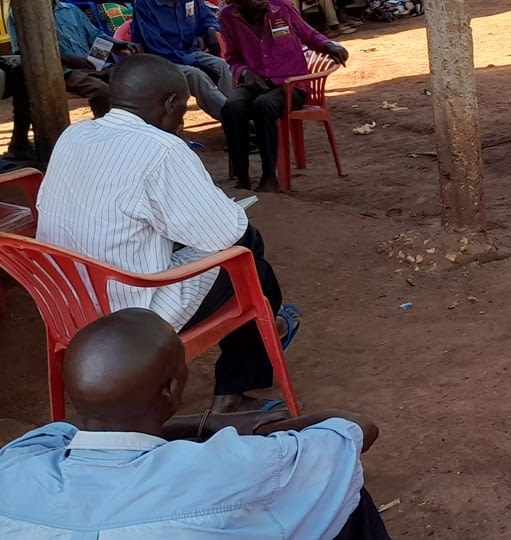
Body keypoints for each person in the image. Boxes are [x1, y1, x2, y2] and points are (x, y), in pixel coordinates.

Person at [36, 55, 300, 412]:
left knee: (240, 246)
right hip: (131, 315)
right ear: (171, 103)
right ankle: (235, 389)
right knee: (250, 258)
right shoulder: (162, 149)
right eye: (185, 109)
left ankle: (266, 328)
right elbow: (225, 232)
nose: (183, 119)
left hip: (67, 303)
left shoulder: (75, 134)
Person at [0, 309, 389, 538]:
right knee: (342, 493)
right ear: (170, 390)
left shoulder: (13, 468)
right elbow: (355, 430)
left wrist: (206, 422)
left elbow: (69, 436)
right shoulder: (235, 470)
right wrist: (266, 430)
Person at [218, 0, 350, 192]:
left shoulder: (281, 8)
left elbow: (310, 35)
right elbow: (232, 57)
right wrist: (245, 73)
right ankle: (242, 177)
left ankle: (270, 176)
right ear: (236, 0)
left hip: (292, 85)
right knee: (231, 108)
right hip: (255, 82)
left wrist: (330, 45)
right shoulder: (227, 17)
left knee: (263, 106)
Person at [5, 0, 135, 127]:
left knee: (132, 81)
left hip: (90, 67)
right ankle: (106, 129)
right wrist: (72, 60)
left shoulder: (71, 9)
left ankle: (130, 127)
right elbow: (22, 53)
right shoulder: (23, 16)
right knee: (101, 91)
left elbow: (96, 37)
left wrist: (120, 44)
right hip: (62, 72)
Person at [132, 0, 230, 120]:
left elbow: (206, 18)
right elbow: (156, 46)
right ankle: (236, 120)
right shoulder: (144, 2)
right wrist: (194, 62)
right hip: (161, 61)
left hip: (189, 52)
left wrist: (211, 31)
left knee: (223, 66)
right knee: (196, 75)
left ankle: (233, 113)